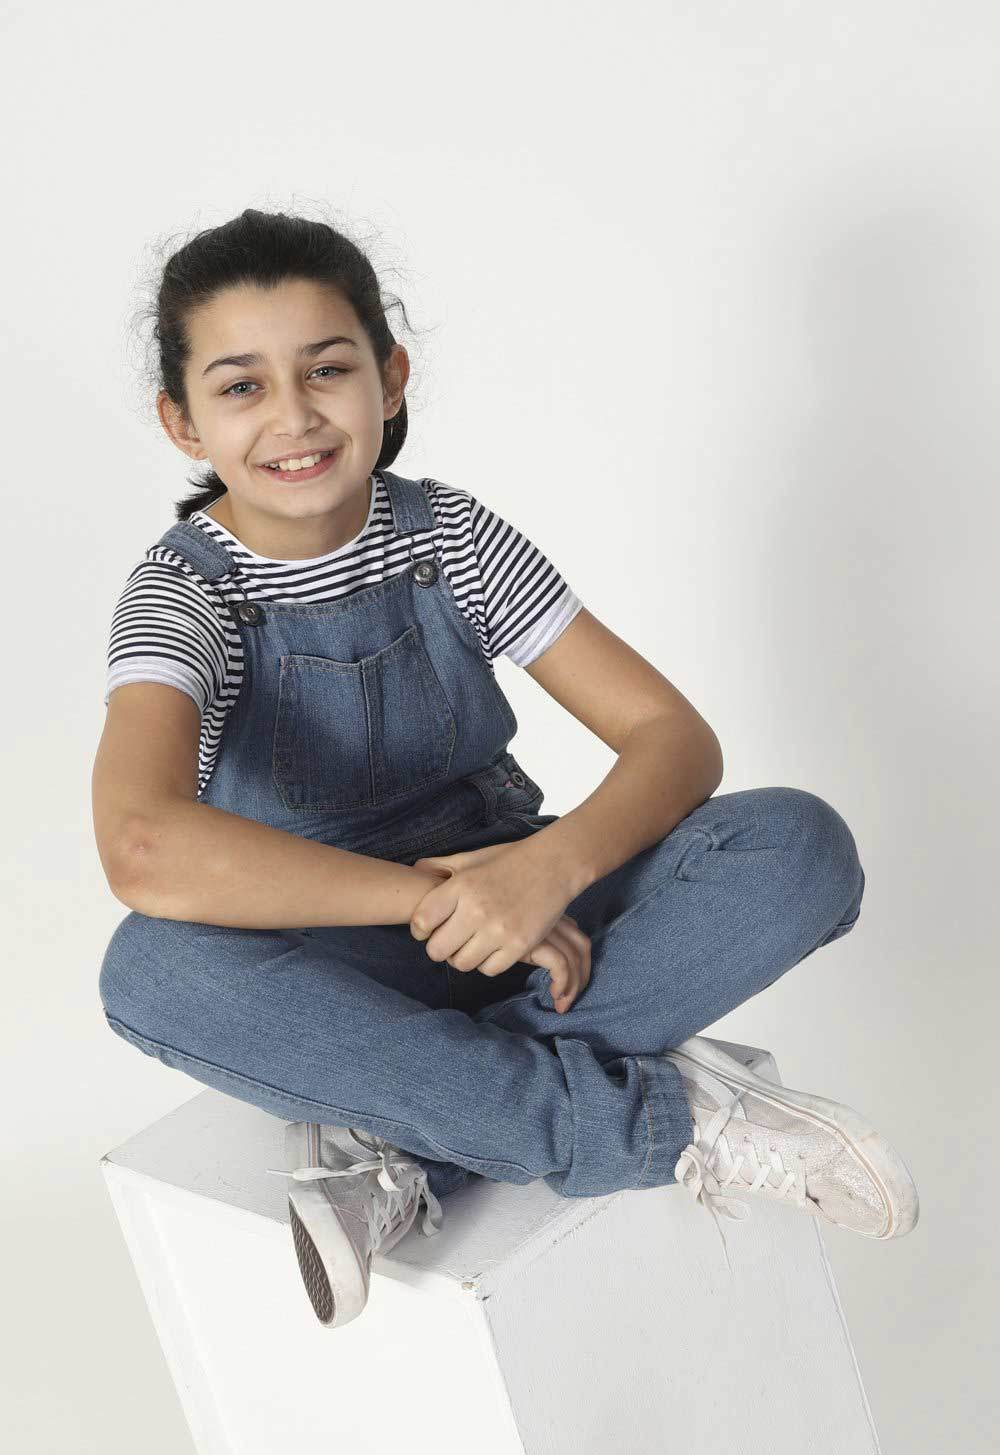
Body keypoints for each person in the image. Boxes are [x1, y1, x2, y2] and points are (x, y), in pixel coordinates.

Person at [92, 207, 918, 1330]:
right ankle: (663, 1123)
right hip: (343, 961)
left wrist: (541, 873)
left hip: (539, 916)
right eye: (241, 387)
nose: (293, 416)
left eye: (327, 369)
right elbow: (142, 843)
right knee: (151, 973)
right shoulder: (183, 595)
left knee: (796, 845)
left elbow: (674, 739)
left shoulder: (455, 538)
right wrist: (438, 899)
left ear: (389, 378)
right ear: (180, 421)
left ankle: (402, 1133)